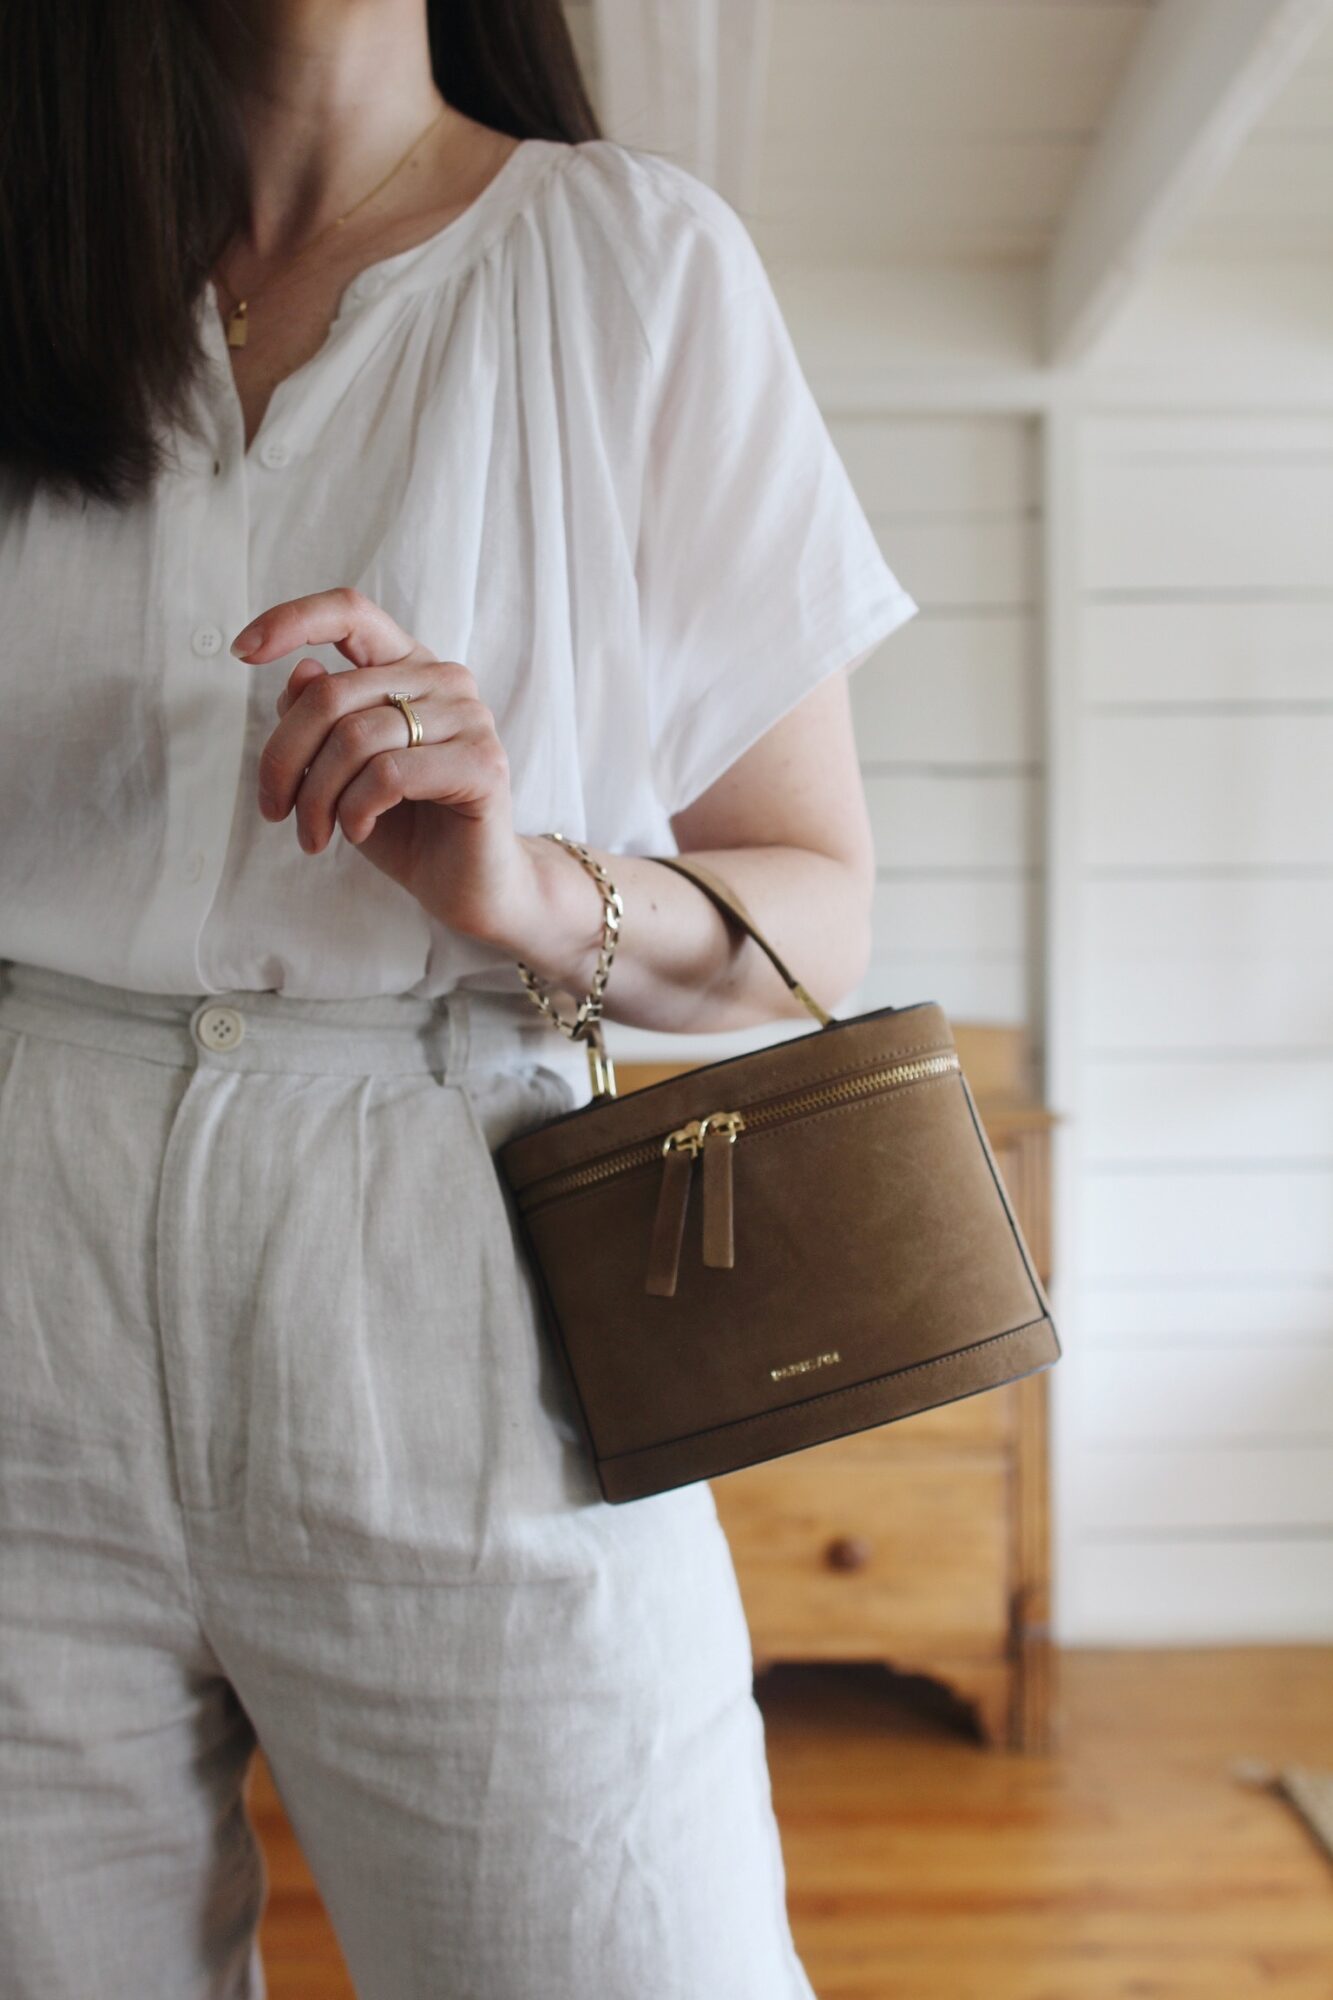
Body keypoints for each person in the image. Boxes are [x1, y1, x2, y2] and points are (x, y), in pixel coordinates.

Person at [0, 2, 917, 1995]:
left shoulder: (626, 263)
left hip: (450, 1279)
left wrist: (516, 882)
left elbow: (814, 909)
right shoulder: (24, 267)